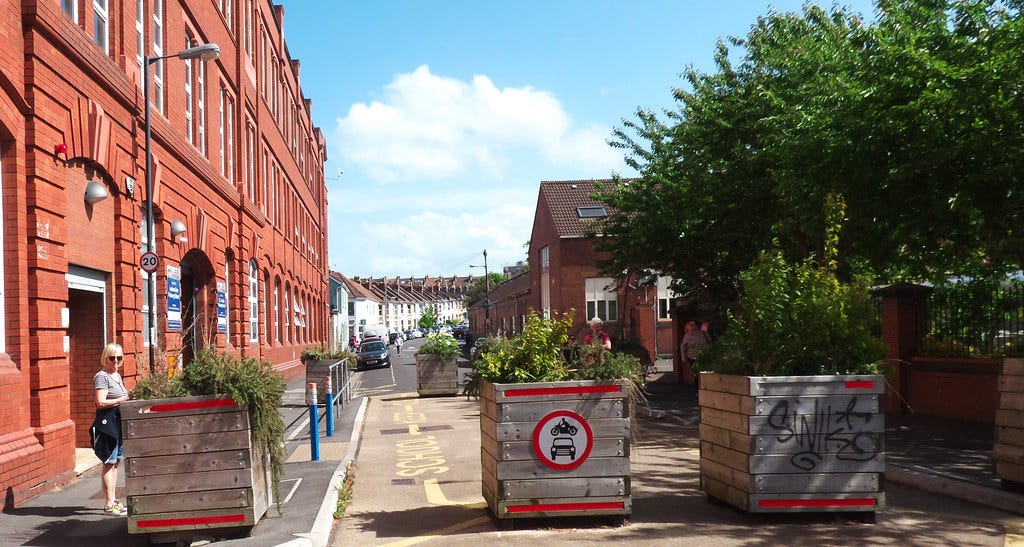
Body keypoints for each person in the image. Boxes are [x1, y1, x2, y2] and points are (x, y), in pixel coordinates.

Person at [91, 343, 129, 516]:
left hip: (118, 422)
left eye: (119, 358)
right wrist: (122, 399)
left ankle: (113, 500)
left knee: (115, 463)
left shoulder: (117, 376)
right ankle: (108, 504)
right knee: (108, 463)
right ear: (105, 358)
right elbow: (100, 402)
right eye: (112, 357)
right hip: (108, 424)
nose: (115, 361)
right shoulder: (102, 376)